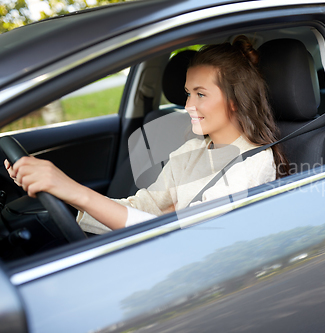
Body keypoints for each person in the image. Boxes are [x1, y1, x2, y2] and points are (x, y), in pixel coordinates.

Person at [5, 35, 288, 234]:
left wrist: (70, 188)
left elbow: (179, 237)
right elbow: (143, 209)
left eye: (201, 94)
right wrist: (60, 191)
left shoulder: (253, 164)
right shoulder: (193, 150)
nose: (188, 106)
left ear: (235, 99)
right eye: (188, 93)